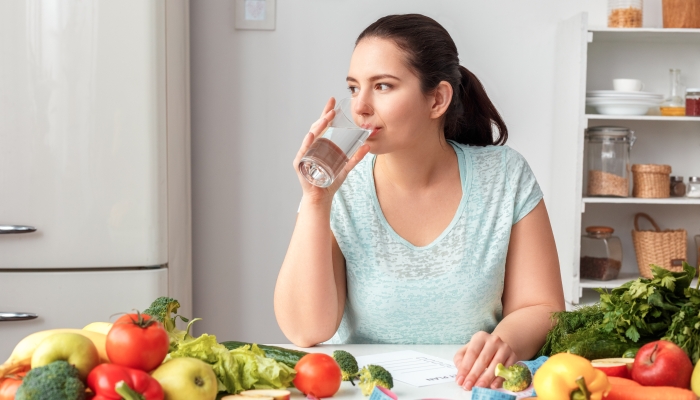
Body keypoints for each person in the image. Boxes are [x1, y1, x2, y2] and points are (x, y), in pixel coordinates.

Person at [274, 13, 565, 391]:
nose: (359, 107)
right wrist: (315, 202)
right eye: (353, 87)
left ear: (438, 99)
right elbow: (304, 329)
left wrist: (501, 344)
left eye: (382, 86)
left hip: (472, 390)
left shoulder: (505, 176)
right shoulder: (339, 187)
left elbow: (542, 306)